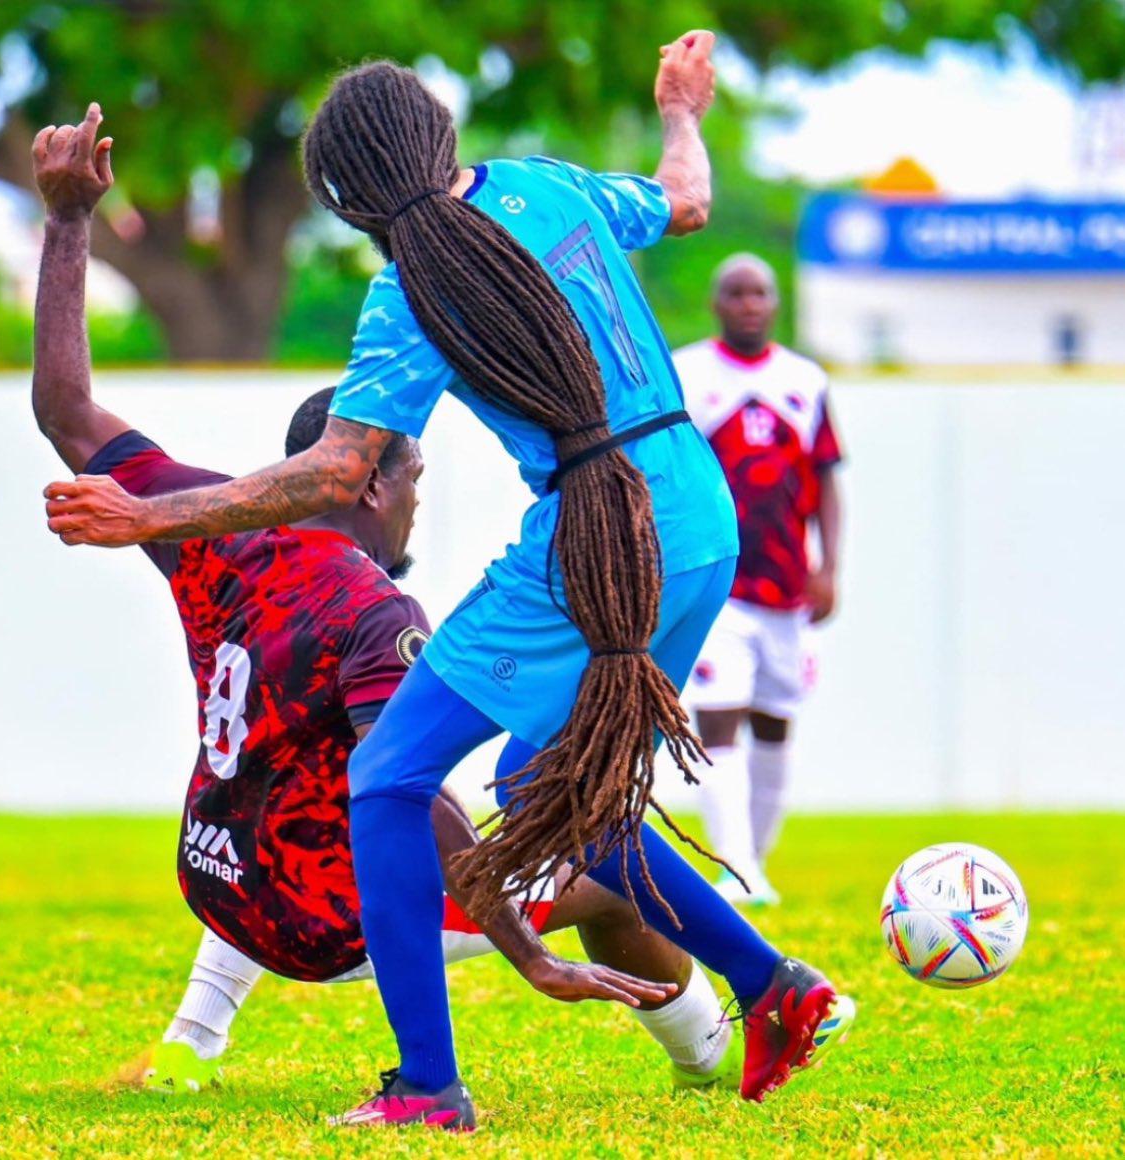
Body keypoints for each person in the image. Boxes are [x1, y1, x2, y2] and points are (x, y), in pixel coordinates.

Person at [44, 37, 851, 1131]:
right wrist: (677, 112)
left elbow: (337, 469)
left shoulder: (407, 290)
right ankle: (778, 989)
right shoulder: (549, 186)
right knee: (555, 786)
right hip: (698, 519)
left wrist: (147, 514)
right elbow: (686, 202)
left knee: (386, 775)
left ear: (343, 194)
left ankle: (429, 1087)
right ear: (441, 135)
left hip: (595, 533)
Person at [675, 254, 844, 905]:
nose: (749, 303)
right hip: (717, 588)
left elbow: (827, 477)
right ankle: (738, 870)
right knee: (717, 720)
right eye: (736, 293)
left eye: (760, 293)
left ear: (775, 304)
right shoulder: (689, 374)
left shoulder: (806, 381)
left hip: (788, 590)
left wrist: (829, 565)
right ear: (718, 303)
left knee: (776, 726)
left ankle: (755, 865)